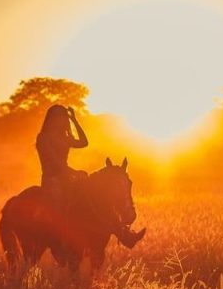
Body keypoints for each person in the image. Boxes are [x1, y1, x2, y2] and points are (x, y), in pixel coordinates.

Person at [35, 105, 144, 247]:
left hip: (68, 178)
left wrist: (74, 120)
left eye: (64, 118)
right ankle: (60, 241)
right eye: (60, 117)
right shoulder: (44, 138)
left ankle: (124, 234)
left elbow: (83, 142)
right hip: (52, 180)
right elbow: (55, 163)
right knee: (59, 209)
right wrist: (74, 172)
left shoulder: (64, 137)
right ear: (52, 119)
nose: (62, 121)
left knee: (97, 197)